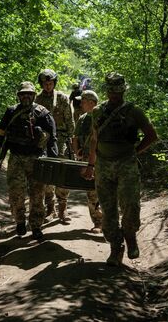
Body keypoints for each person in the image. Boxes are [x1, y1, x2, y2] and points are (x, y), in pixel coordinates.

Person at [81, 72, 158, 266]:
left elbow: (152, 135)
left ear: (124, 91)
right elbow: (94, 140)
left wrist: (135, 152)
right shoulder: (98, 111)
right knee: (108, 210)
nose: (115, 95)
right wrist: (91, 165)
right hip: (103, 165)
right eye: (112, 91)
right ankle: (116, 248)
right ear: (107, 92)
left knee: (130, 206)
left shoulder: (134, 111)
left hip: (126, 165)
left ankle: (130, 237)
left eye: (118, 91)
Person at [0, 81, 58, 240]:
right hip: (16, 158)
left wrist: (53, 161)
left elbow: (52, 139)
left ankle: (36, 227)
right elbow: (0, 134)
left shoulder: (43, 114)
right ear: (19, 96)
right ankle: (20, 222)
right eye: (22, 94)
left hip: (37, 159)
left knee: (37, 195)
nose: (25, 96)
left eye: (29, 93)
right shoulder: (11, 112)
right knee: (16, 193)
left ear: (34, 95)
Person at [34, 69, 75, 223]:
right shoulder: (37, 99)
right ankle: (50, 208)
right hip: (44, 140)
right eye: (45, 83)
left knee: (63, 172)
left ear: (54, 83)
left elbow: (70, 121)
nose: (48, 86)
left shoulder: (62, 98)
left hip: (61, 139)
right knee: (47, 173)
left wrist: (71, 139)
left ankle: (63, 209)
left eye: (50, 83)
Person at [71, 90, 103, 233]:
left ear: (92, 102)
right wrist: (76, 151)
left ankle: (105, 222)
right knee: (90, 191)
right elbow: (75, 137)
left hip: (100, 159)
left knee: (102, 190)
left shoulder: (102, 117)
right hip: (85, 159)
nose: (80, 104)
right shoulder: (82, 118)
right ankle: (98, 222)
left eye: (83, 101)